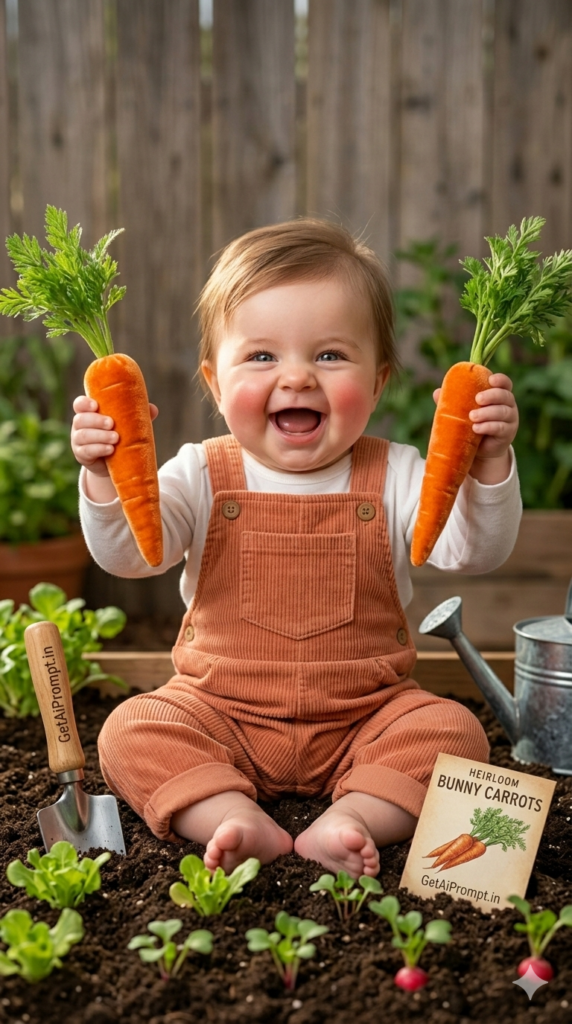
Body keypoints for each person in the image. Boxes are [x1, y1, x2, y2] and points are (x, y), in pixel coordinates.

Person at [71, 219, 521, 879]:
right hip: (219, 714)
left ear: (379, 380)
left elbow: (471, 552)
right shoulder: (199, 472)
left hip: (368, 718)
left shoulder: (397, 473)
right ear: (215, 383)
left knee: (455, 732)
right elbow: (133, 556)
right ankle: (227, 810)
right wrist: (105, 475)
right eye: (261, 357)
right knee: (130, 728)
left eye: (331, 355)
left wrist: (488, 463)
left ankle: (355, 818)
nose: (298, 378)